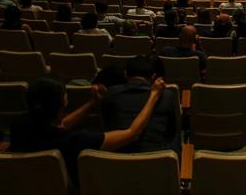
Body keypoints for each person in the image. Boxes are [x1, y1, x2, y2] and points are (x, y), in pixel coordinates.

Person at [10, 77, 165, 184]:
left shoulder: (18, 126)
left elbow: (60, 125)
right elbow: (132, 133)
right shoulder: (77, 140)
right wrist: (154, 95)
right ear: (59, 108)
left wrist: (93, 103)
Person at [101, 55, 181, 154]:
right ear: (153, 77)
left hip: (113, 159)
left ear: (125, 74)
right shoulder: (166, 96)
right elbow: (171, 132)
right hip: (157, 159)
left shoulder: (110, 93)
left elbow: (105, 124)